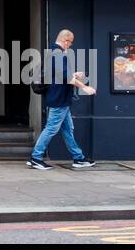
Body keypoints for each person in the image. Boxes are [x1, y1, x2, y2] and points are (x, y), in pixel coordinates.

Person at [28, 29, 96, 171]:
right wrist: (84, 87)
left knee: (67, 129)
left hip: (61, 99)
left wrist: (74, 74)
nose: (70, 46)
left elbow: (58, 75)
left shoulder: (52, 53)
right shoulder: (59, 54)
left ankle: (78, 158)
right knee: (51, 128)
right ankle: (36, 157)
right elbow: (66, 78)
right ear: (66, 40)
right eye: (70, 43)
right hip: (59, 100)